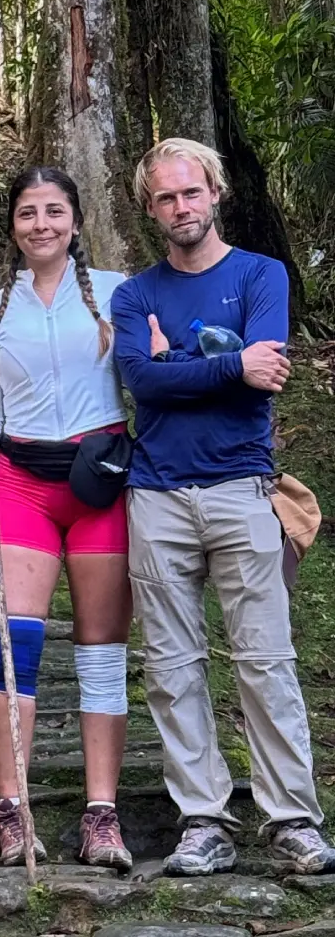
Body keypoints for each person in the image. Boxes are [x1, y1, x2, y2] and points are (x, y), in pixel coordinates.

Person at [112, 138, 335, 877]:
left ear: (216, 193)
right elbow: (142, 382)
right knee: (172, 665)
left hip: (243, 488)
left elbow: (263, 373)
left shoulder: (260, 273)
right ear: (151, 209)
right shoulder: (135, 293)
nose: (182, 207)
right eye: (167, 198)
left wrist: (185, 362)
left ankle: (292, 818)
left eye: (192, 192)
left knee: (265, 660)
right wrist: (224, 361)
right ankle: (202, 818)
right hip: (157, 493)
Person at [0, 167, 134, 871]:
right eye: (28, 213)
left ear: (76, 220)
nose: (42, 224)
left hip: (101, 481)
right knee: (13, 648)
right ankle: (14, 807)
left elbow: (146, 381)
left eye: (54, 211)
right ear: (12, 225)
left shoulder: (121, 294)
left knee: (101, 651)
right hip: (20, 483)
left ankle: (102, 813)